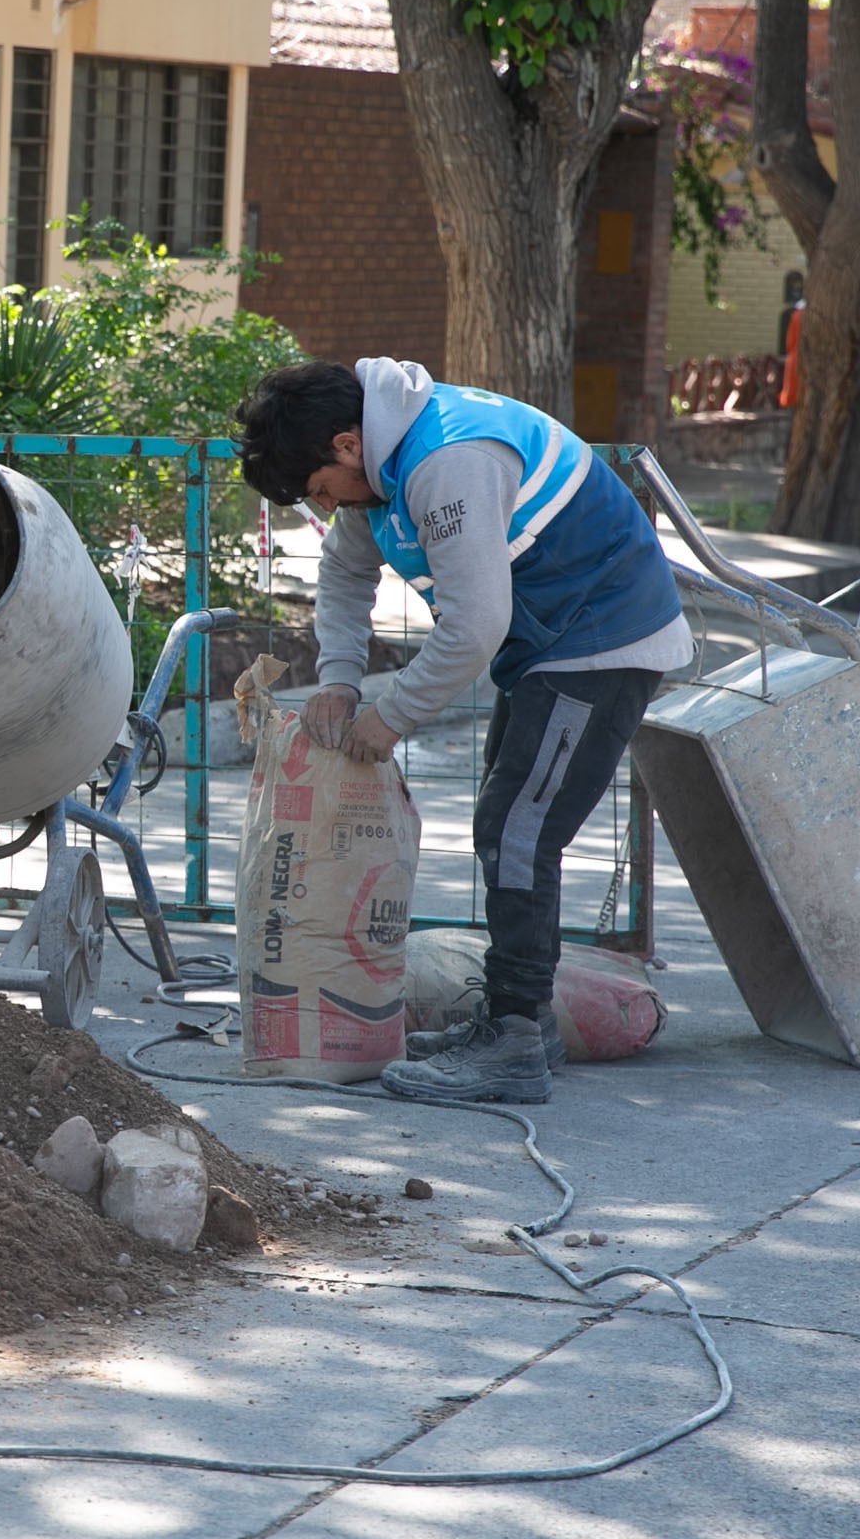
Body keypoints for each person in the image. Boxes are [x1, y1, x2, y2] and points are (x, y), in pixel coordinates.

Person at [232, 359, 689, 1105]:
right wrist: (342, 677)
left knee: (516, 832)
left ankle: (513, 1043)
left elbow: (477, 625)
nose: (328, 505)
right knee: (508, 826)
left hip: (601, 642)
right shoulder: (381, 460)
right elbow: (346, 575)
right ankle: (521, 1025)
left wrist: (391, 716)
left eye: (320, 489)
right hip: (548, 648)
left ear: (346, 444)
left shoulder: (447, 460)